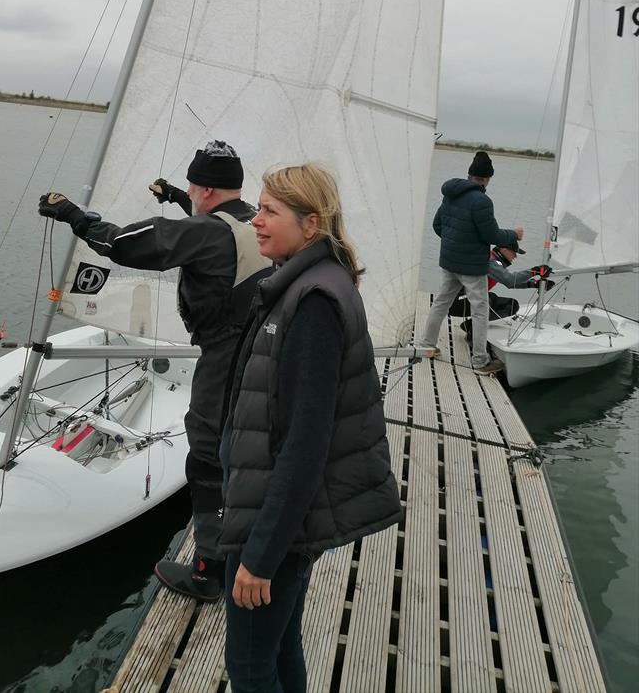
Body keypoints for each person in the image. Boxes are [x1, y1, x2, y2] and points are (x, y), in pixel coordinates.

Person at [38, 140, 271, 602]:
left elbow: (123, 244)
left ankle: (209, 571)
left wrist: (72, 215)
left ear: (205, 188)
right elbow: (212, 223)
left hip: (225, 359)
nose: (190, 192)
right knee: (241, 448)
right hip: (262, 352)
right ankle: (252, 540)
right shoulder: (255, 221)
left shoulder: (206, 232)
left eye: (191, 187)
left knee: (207, 456)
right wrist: (176, 198)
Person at [219, 164, 401, 693]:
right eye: (258, 207)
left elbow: (305, 444)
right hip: (275, 516)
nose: (256, 220)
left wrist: (261, 554)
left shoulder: (314, 302)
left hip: (274, 526)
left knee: (250, 666)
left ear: (311, 223)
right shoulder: (307, 282)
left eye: (271, 211)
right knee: (279, 648)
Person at [415, 150, 523, 375]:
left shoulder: (450, 194)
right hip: (472, 267)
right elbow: (492, 235)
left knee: (441, 302)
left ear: (470, 174)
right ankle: (480, 361)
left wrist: (455, 243)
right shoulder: (482, 201)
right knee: (480, 311)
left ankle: (426, 345)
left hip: (449, 261)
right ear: (487, 178)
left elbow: (437, 225)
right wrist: (513, 235)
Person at [451, 234, 555, 333]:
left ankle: (470, 326)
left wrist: (534, 284)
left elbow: (510, 283)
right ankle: (473, 334)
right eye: (514, 253)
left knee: (511, 305)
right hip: (455, 303)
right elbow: (509, 279)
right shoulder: (490, 262)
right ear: (504, 250)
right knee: (488, 301)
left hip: (468, 300)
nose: (515, 257)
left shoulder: (495, 263)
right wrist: (535, 271)